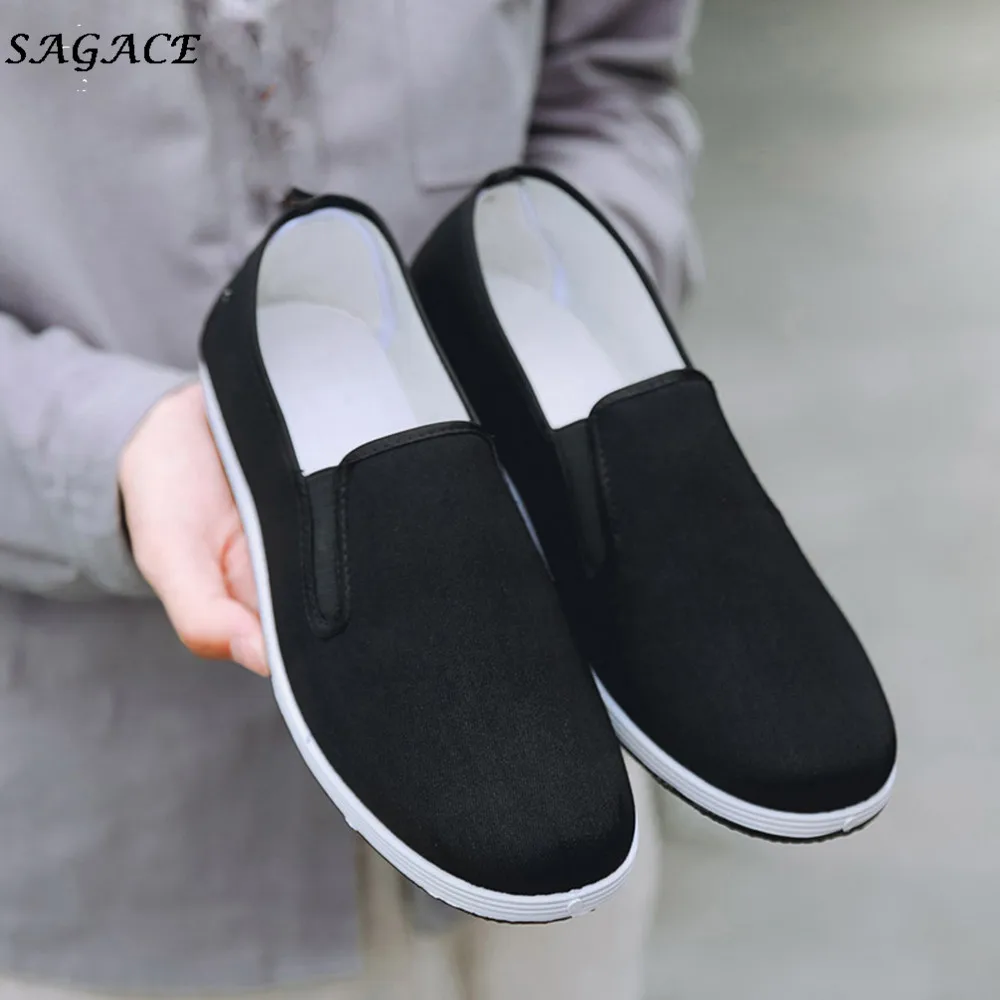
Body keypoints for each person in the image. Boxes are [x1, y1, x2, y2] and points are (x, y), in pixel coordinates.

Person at [0, 2, 702, 997]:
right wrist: (100, 448)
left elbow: (610, 84)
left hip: (555, 686)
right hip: (110, 826)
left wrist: (554, 315)